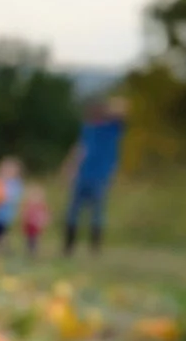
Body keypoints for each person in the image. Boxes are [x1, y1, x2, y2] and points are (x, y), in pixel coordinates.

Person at [62, 96, 128, 254]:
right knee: (72, 212)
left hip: (100, 177)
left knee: (97, 214)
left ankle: (95, 248)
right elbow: (81, 148)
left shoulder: (112, 129)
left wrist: (108, 108)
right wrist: (70, 168)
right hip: (82, 175)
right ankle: (68, 247)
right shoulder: (88, 128)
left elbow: (122, 108)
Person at [0, 157, 24, 245]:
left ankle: (2, 246)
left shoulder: (16, 184)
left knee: (3, 231)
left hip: (6, 214)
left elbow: (14, 198)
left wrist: (2, 197)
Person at [22, 183, 50, 256]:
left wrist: (44, 221)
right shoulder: (29, 205)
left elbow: (45, 215)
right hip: (29, 225)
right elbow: (25, 214)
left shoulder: (42, 206)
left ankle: (34, 251)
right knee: (29, 238)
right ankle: (29, 251)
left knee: (35, 238)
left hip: (37, 226)